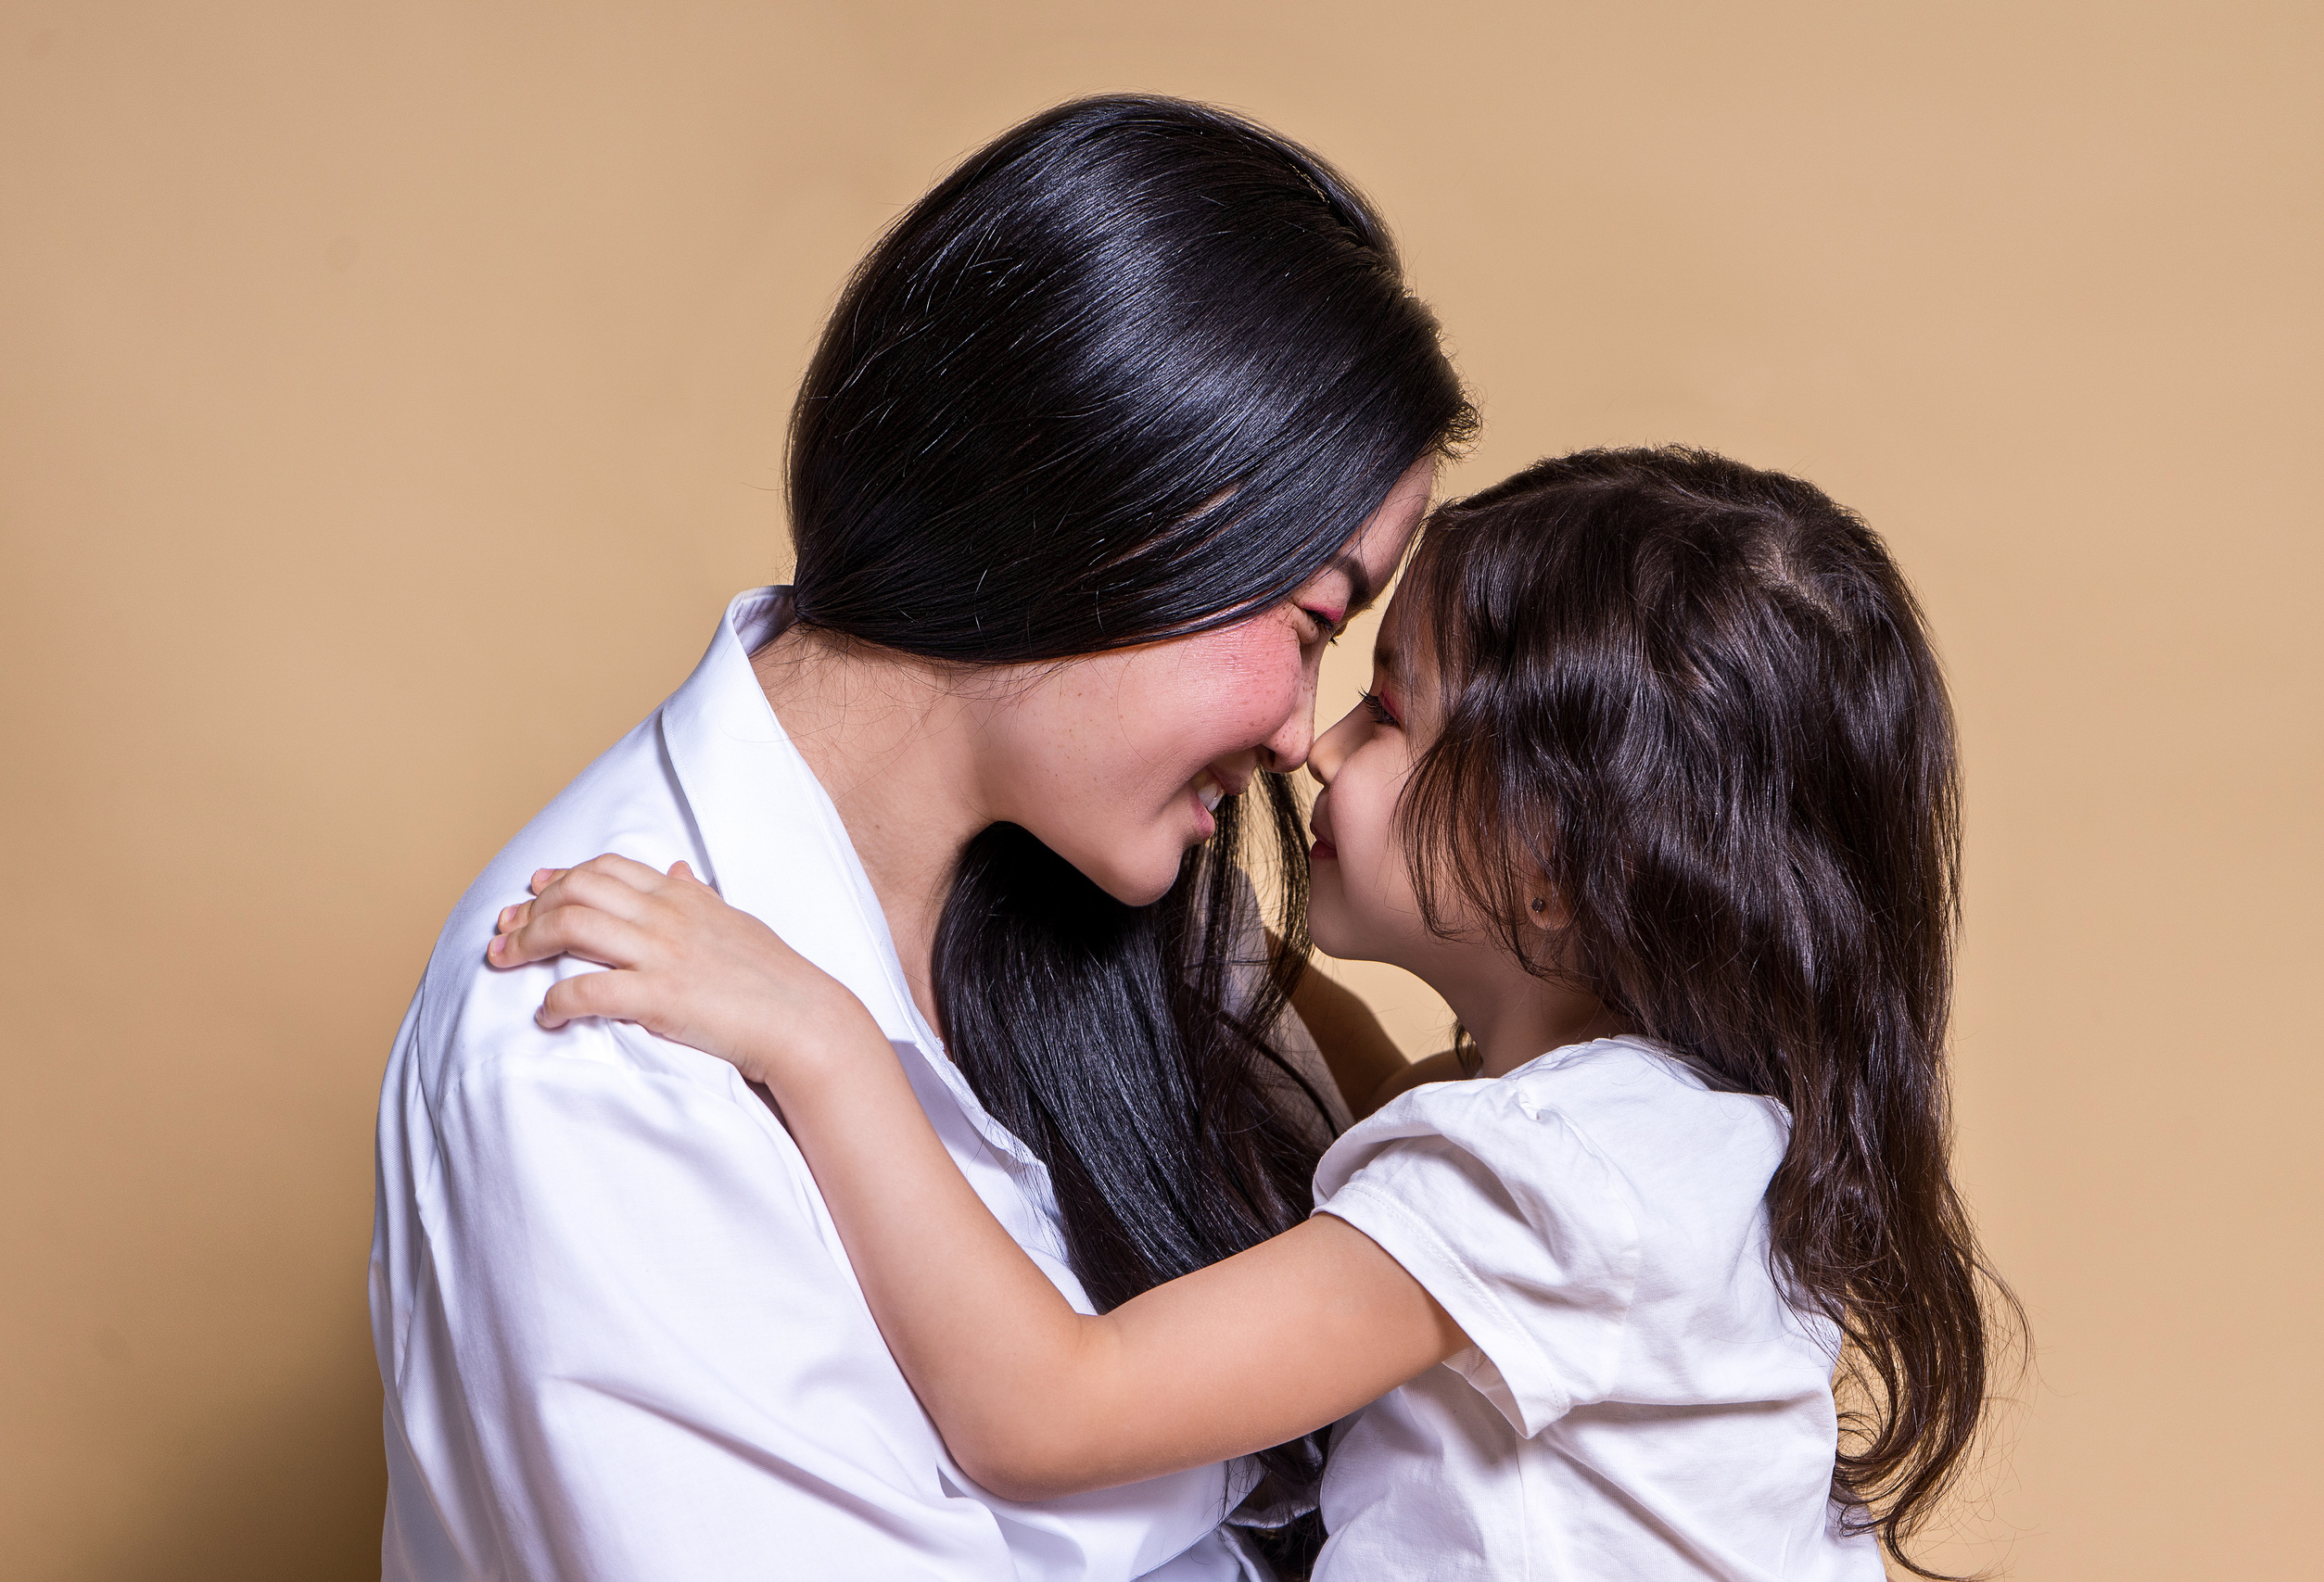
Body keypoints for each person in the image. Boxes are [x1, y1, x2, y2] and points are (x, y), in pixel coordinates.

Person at [490, 447, 2022, 1580]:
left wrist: (821, 1039)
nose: (1312, 744)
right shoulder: (1648, 1136)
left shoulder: (1547, 1183)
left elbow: (1047, 1409)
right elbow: (1346, 1096)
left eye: (1394, 711)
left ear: (1560, 872)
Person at [369, 95, 1472, 1582]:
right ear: (1123, 504)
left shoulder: (1141, 921)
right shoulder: (596, 1045)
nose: (1300, 734)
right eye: (1315, 621)